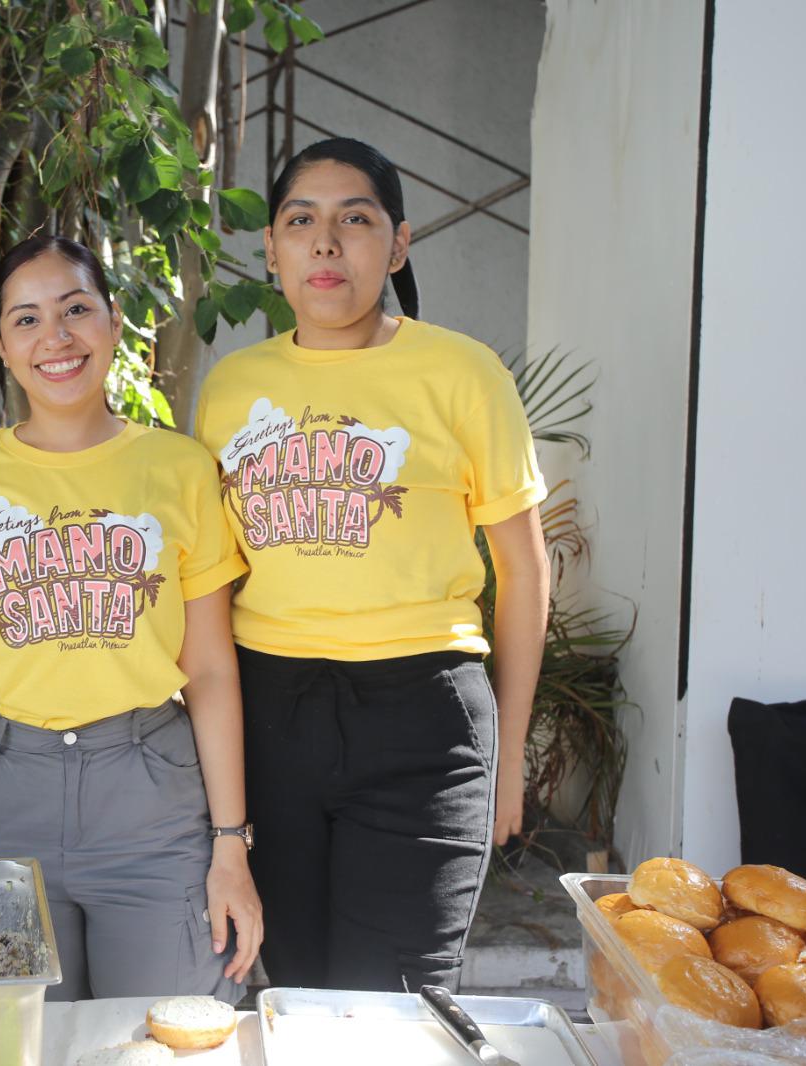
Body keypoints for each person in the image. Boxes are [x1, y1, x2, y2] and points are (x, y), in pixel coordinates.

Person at [193, 137, 550, 993]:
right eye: (300, 221)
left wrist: (509, 756)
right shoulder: (230, 387)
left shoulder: (462, 373)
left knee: (398, 1007)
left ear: (396, 245)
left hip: (421, 723)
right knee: (291, 991)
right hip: (270, 715)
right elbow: (213, 581)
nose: (326, 242)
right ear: (272, 248)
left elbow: (525, 573)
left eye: (355, 220)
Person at [0, 236, 262, 1002]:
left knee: (165, 1035)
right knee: (3, 1042)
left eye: (75, 310)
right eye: (27, 320)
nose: (56, 338)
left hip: (150, 802)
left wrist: (230, 846)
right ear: (1, 344)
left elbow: (207, 669)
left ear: (113, 320)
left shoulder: (178, 468)